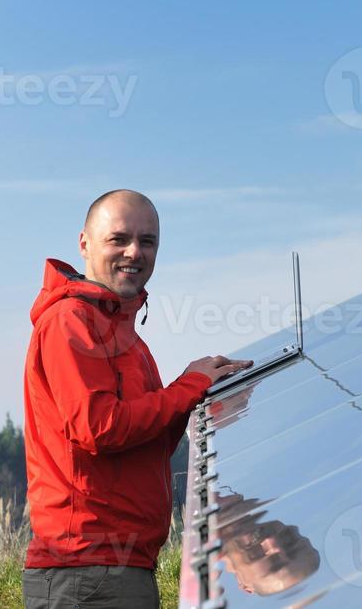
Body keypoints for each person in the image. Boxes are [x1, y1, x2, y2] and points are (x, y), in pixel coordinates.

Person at [21, 190, 251, 609]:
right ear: (84, 243)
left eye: (148, 241)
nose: (134, 252)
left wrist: (200, 395)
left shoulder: (124, 334)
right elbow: (99, 427)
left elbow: (145, 443)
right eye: (119, 239)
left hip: (118, 569)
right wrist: (186, 389)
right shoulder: (70, 321)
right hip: (86, 572)